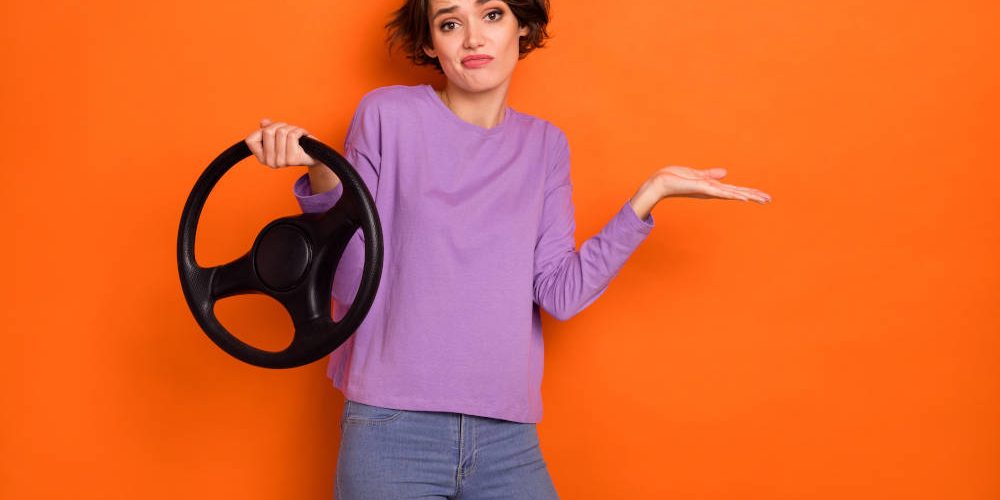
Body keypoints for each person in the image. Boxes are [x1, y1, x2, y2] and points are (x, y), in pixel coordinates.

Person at [244, 0, 771, 498]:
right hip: (390, 425)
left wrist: (647, 196)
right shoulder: (388, 115)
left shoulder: (545, 146)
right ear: (430, 43)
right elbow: (351, 281)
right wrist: (320, 173)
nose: (473, 37)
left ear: (521, 24)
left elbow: (558, 293)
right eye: (449, 23)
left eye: (491, 14)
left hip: (505, 435)